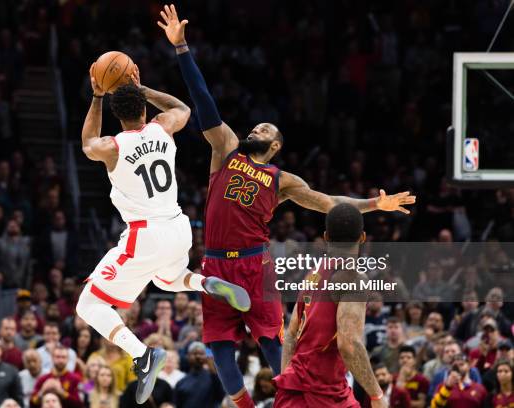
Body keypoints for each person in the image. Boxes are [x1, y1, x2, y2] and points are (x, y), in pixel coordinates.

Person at [157, 6, 415, 407]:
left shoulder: (282, 180)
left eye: (263, 129)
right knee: (219, 347)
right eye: (254, 127)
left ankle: (289, 400)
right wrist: (182, 49)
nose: (253, 130)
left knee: (274, 340)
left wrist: (374, 203)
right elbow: (204, 102)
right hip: (215, 262)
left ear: (275, 145)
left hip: (255, 263)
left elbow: (330, 202)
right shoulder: (225, 150)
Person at [75, 61, 251, 405]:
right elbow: (182, 108)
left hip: (145, 236)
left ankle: (143, 355)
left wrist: (96, 96)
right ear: (143, 107)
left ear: (118, 114)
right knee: (166, 280)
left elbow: (87, 143)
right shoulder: (162, 128)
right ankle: (204, 282)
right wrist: (143, 89)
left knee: (89, 304)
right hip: (178, 226)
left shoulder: (113, 147)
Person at [273, 204, 387, 407]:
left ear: (326, 237)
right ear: (362, 237)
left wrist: (288, 380)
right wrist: (377, 395)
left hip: (292, 391)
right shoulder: (353, 278)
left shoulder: (314, 273)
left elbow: (290, 334)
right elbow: (349, 345)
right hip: (325, 393)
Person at [173, 342, 225, 408]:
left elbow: (221, 396)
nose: (198, 356)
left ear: (206, 357)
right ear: (188, 356)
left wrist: (211, 366)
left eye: (201, 354)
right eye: (194, 354)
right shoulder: (181, 382)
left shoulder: (214, 378)